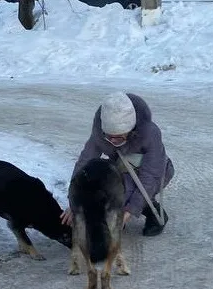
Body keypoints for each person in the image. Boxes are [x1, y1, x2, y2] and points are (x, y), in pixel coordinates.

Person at [61, 92, 174, 236]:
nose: (113, 142)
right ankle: (114, 217)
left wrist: (130, 210)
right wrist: (75, 202)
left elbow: (151, 175)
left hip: (157, 171)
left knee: (129, 194)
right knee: (104, 188)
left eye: (119, 137)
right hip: (124, 168)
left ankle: (155, 213)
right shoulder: (100, 132)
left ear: (131, 130)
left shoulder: (150, 133)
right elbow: (84, 163)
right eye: (109, 137)